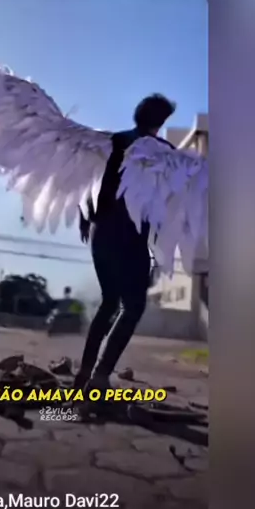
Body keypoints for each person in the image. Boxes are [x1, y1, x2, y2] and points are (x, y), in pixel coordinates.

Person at [75, 94, 177, 389]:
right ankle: (99, 377)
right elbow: (167, 200)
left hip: (101, 232)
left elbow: (89, 180)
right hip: (130, 237)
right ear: (161, 122)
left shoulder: (113, 141)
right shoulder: (164, 152)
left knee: (109, 302)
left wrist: (85, 216)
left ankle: (84, 374)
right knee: (132, 307)